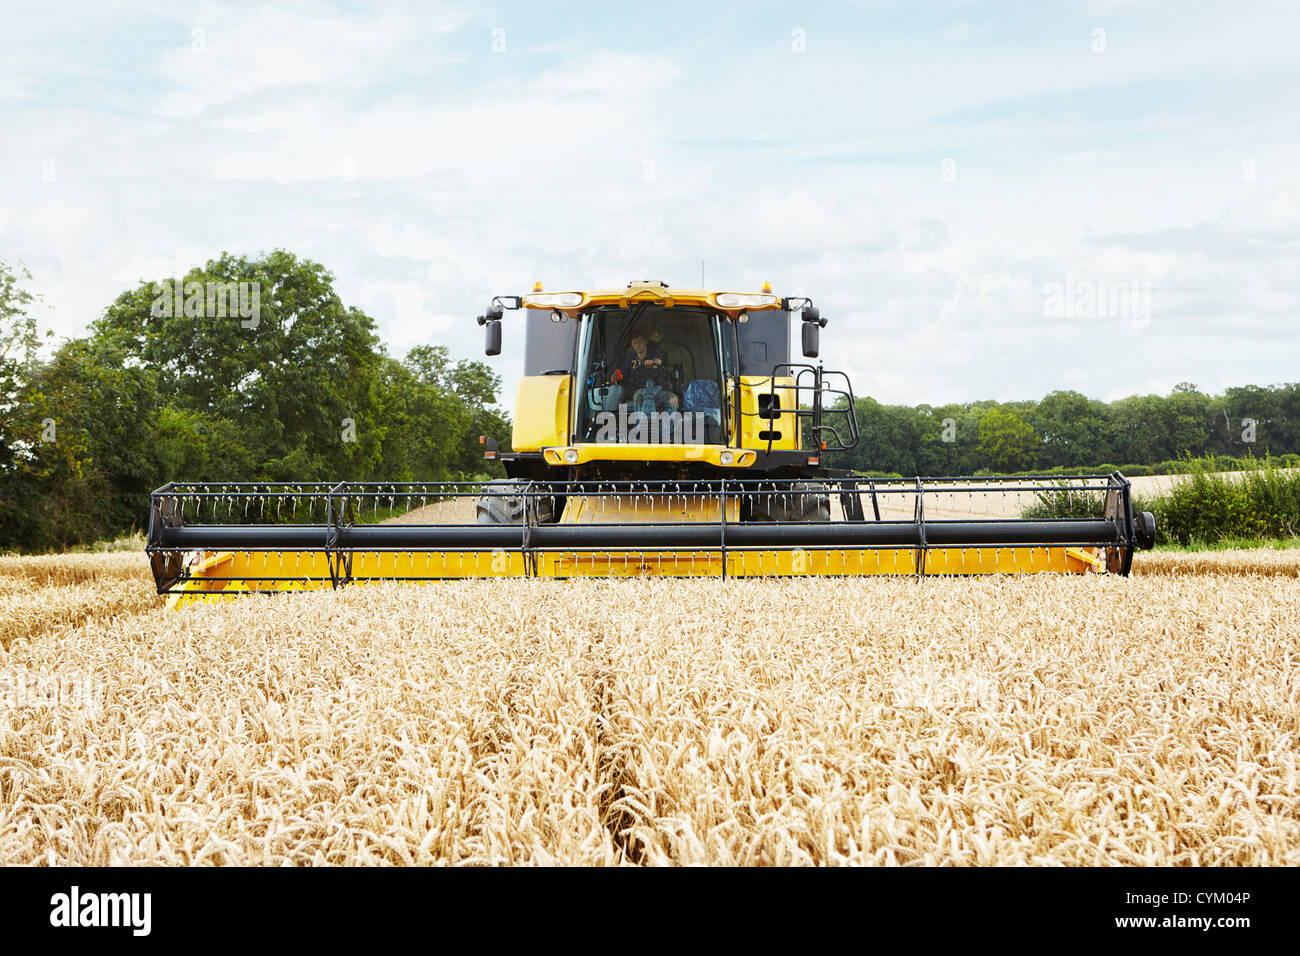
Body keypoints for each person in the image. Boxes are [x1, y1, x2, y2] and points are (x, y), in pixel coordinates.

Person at [614, 327, 678, 418]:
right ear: (632, 345)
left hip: (657, 391)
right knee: (637, 397)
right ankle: (641, 426)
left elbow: (658, 360)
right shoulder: (630, 359)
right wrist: (615, 376)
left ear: (645, 342)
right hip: (640, 392)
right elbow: (620, 373)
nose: (637, 345)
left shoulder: (655, 354)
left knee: (673, 398)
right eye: (635, 343)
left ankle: (668, 428)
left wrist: (652, 362)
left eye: (640, 342)